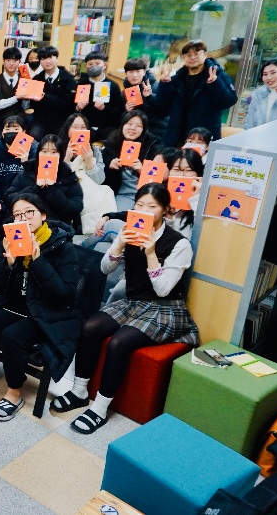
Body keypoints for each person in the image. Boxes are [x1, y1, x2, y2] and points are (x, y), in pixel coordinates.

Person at [52, 183, 199, 434]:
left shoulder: (179, 244)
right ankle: (79, 391)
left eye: (152, 206)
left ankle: (100, 409)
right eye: (139, 205)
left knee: (119, 342)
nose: (144, 211)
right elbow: (104, 269)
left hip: (164, 308)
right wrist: (119, 243)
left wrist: (150, 253)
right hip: (133, 302)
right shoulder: (129, 230)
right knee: (89, 328)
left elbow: (163, 290)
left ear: (165, 210)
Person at [0, 193, 80, 420]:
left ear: (43, 215)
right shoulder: (13, 240)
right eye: (18, 215)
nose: (23, 218)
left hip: (46, 312)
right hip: (17, 305)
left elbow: (65, 293)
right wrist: (8, 264)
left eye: (29, 212)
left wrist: (38, 262)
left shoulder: (62, 246)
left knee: (12, 336)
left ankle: (14, 393)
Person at [157, 40, 237, 146]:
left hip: (203, 140)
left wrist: (215, 84)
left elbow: (228, 102)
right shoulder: (177, 79)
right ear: (184, 57)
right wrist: (165, 85)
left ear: (205, 55)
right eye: (188, 55)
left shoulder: (218, 75)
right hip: (176, 140)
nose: (192, 57)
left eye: (196, 53)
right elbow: (162, 109)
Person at [5, 134, 84, 228]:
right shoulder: (27, 172)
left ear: (61, 155)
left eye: (54, 152)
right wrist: (35, 189)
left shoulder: (68, 176)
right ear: (38, 153)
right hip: (27, 227)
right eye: (44, 151)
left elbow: (75, 210)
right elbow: (8, 198)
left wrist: (52, 191)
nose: (48, 156)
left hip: (59, 229)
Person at [59, 113, 115, 234]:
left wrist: (89, 161)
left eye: (83, 127)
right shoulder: (57, 147)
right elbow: (55, 177)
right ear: (68, 129)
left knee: (105, 193)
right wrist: (67, 158)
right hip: (65, 188)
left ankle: (97, 228)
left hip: (88, 188)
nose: (79, 131)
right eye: (75, 127)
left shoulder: (95, 150)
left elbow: (100, 180)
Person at [101, 110, 162, 211]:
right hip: (122, 193)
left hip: (146, 193)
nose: (133, 128)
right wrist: (109, 167)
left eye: (138, 126)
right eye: (129, 124)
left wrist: (143, 171)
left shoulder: (153, 146)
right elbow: (100, 179)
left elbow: (159, 178)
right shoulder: (111, 145)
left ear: (144, 129)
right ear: (122, 125)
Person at [0, 115, 36, 227]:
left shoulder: (32, 150)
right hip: (1, 198)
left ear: (24, 132)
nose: (11, 132)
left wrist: (26, 163)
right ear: (2, 132)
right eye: (8, 129)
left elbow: (35, 180)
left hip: (26, 198)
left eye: (16, 129)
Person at [27, 46, 78, 140]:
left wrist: (45, 97)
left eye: (50, 57)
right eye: (43, 59)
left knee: (60, 140)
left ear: (57, 58)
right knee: (32, 137)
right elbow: (33, 105)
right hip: (40, 120)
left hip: (61, 120)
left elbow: (67, 103)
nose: (47, 61)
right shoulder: (36, 79)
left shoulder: (68, 79)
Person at [75, 52, 124, 142]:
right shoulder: (80, 85)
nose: (94, 66)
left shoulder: (113, 86)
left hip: (107, 127)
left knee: (113, 141)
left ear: (104, 65)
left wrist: (104, 108)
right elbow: (70, 109)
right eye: (90, 64)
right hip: (86, 126)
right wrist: (77, 108)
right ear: (85, 67)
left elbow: (118, 112)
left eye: (97, 63)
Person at [122, 58, 168, 138]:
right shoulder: (124, 93)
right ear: (126, 74)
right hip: (134, 133)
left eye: (138, 71)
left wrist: (150, 96)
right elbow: (120, 120)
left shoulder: (157, 87)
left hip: (155, 131)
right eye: (131, 72)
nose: (134, 75)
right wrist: (127, 111)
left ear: (144, 72)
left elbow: (164, 112)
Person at [0, 47, 27, 125]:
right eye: (8, 60)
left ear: (19, 62)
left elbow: (25, 107)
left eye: (15, 60)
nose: (11, 63)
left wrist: (28, 98)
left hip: (19, 119)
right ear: (3, 61)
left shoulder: (24, 81)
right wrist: (16, 98)